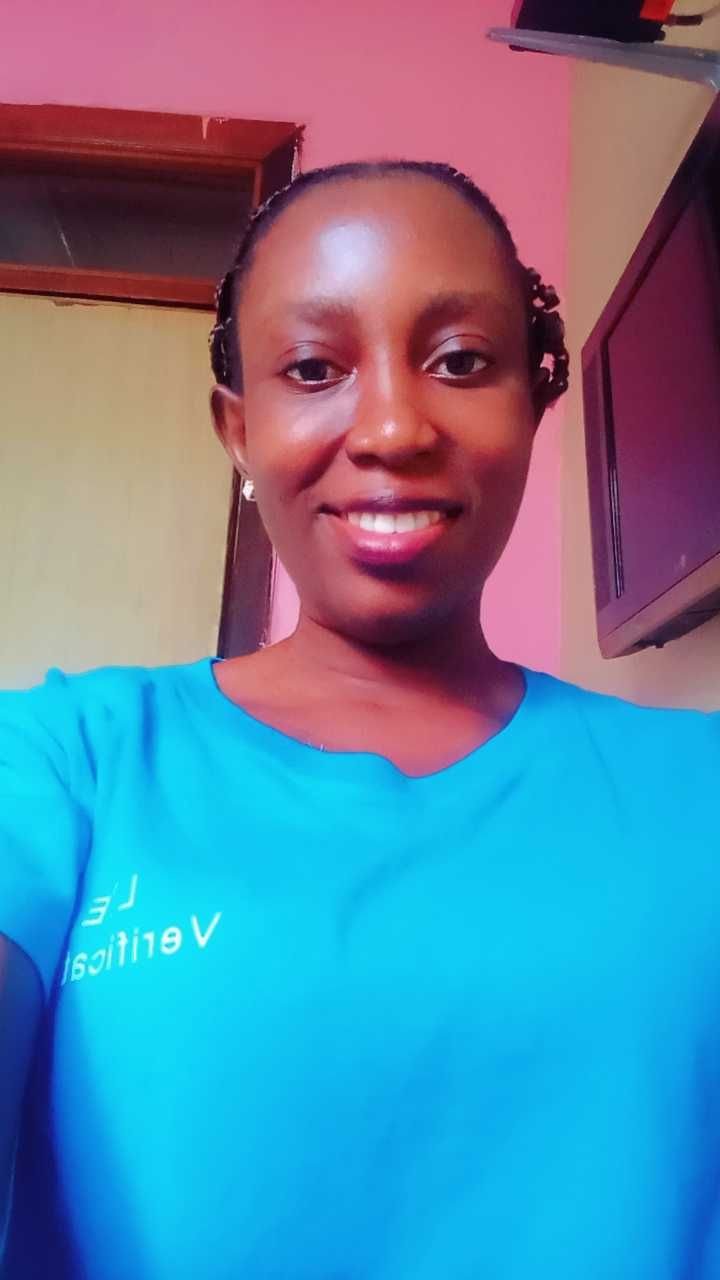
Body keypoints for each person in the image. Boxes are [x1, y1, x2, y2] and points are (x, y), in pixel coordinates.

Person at [1, 159, 718, 1280]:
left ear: (533, 401)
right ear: (239, 429)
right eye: (313, 368)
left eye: (460, 360)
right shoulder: (62, 763)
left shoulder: (699, 789)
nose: (391, 427)